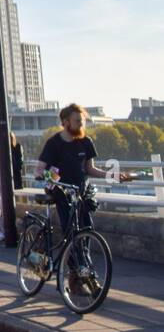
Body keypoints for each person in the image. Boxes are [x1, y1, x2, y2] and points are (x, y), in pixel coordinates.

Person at [35, 103, 132, 289]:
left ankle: (80, 274)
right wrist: (50, 180)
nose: (81, 125)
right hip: (63, 192)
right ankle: (80, 276)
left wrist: (113, 176)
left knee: (86, 233)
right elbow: (39, 170)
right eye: (77, 121)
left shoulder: (85, 142)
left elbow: (90, 169)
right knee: (71, 233)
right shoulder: (54, 143)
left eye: (83, 121)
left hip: (82, 192)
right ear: (65, 122)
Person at [0, 133, 25, 241]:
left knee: (7, 203)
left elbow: (18, 164)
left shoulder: (17, 148)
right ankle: (0, 230)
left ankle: (8, 229)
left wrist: (9, 150)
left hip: (9, 177)